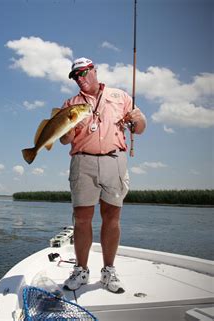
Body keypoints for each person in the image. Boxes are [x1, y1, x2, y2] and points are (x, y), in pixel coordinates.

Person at [59, 57, 146, 293]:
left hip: (114, 160)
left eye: (84, 73)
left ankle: (108, 271)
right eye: (75, 76)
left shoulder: (120, 96)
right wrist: (65, 133)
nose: (80, 78)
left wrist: (139, 120)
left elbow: (139, 128)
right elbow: (64, 139)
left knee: (112, 217)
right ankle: (81, 270)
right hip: (82, 161)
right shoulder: (71, 102)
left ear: (95, 71)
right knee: (82, 218)